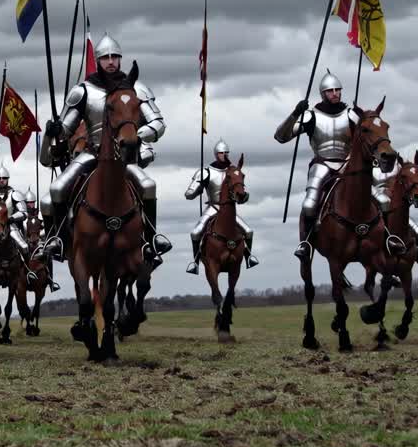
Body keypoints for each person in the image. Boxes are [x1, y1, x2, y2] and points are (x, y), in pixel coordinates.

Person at [40, 33, 171, 263]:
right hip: (92, 153)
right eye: (105, 58)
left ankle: (151, 240)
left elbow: (158, 124)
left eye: (115, 57)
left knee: (148, 186)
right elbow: (67, 130)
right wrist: (55, 130)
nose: (111, 61)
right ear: (98, 60)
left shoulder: (136, 89)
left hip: (125, 157)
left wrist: (137, 136)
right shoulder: (83, 91)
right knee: (57, 189)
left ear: (120, 60)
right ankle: (58, 240)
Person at [274, 69, 357, 258]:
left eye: (338, 90)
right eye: (331, 91)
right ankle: (307, 242)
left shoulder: (352, 115)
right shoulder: (312, 116)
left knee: (376, 193)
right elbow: (281, 136)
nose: (335, 93)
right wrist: (295, 113)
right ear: (323, 93)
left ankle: (388, 238)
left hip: (348, 164)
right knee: (310, 204)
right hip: (323, 163)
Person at [184, 139, 256, 274]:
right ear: (216, 154)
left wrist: (244, 196)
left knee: (248, 231)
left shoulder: (233, 171)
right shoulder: (206, 172)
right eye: (222, 153)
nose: (225, 155)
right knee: (195, 232)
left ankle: (249, 257)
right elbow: (188, 194)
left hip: (229, 209)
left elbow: (240, 194)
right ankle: (195, 262)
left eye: (226, 153)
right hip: (212, 207)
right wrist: (197, 189)